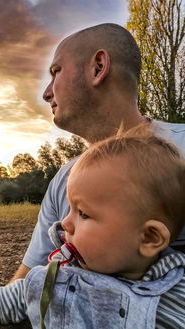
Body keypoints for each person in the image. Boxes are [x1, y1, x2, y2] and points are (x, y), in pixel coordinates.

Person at [10, 23, 185, 282]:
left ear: (98, 67)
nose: (47, 93)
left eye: (56, 72)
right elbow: (25, 289)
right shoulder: (62, 181)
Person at [0, 130, 185, 328]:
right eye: (70, 208)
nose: (64, 223)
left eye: (83, 213)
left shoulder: (176, 297)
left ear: (149, 238)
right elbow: (12, 298)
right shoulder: (58, 279)